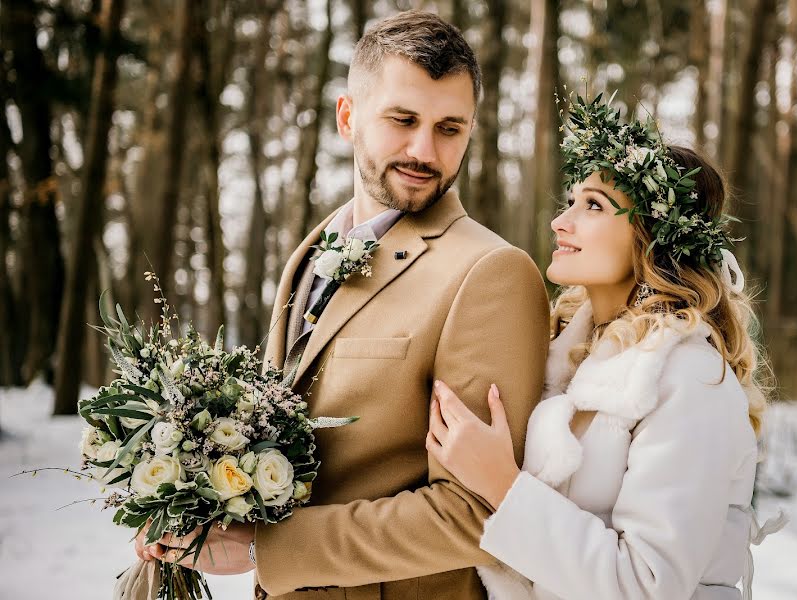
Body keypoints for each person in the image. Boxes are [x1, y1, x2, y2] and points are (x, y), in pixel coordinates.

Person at [135, 11, 550, 600]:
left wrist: (266, 548)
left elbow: (480, 515)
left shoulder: (490, 274)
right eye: (403, 120)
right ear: (348, 117)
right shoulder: (310, 250)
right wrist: (194, 493)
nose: (424, 150)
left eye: (450, 128)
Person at [427, 94, 785, 599]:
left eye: (593, 205)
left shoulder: (691, 378)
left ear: (651, 237)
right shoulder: (564, 357)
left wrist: (502, 484)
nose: (560, 221)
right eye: (570, 201)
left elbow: (647, 585)